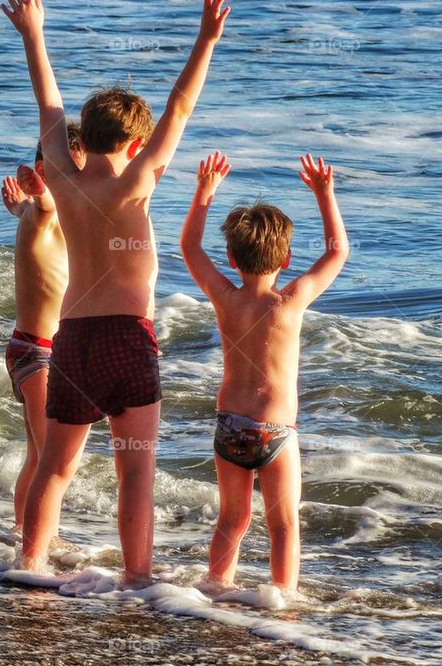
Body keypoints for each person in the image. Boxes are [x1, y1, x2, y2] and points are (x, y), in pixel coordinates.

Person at [1, 0, 231, 586]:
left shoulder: (64, 183)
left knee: (55, 467)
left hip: (71, 342)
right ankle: (137, 579)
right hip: (130, 341)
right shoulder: (135, 186)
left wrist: (34, 33)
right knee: (136, 474)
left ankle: (30, 567)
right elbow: (180, 107)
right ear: (134, 144)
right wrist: (206, 38)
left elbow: (48, 107)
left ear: (90, 134)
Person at [179, 151, 349, 591]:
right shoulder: (290, 301)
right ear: (287, 258)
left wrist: (204, 192)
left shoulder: (224, 297)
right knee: (284, 525)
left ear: (232, 260)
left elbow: (190, 248)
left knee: (232, 520)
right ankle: (283, 601)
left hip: (229, 426)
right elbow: (337, 253)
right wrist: (324, 194)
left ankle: (214, 588)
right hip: (276, 430)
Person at [1, 122, 85, 532]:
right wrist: (37, 189)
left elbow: (37, 209)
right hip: (38, 354)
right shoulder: (47, 208)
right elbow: (48, 202)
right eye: (73, 174)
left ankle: (22, 534)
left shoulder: (34, 214)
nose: (81, 185)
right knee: (51, 459)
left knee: (36, 456)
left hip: (29, 349)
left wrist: (21, 204)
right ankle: (38, 545)